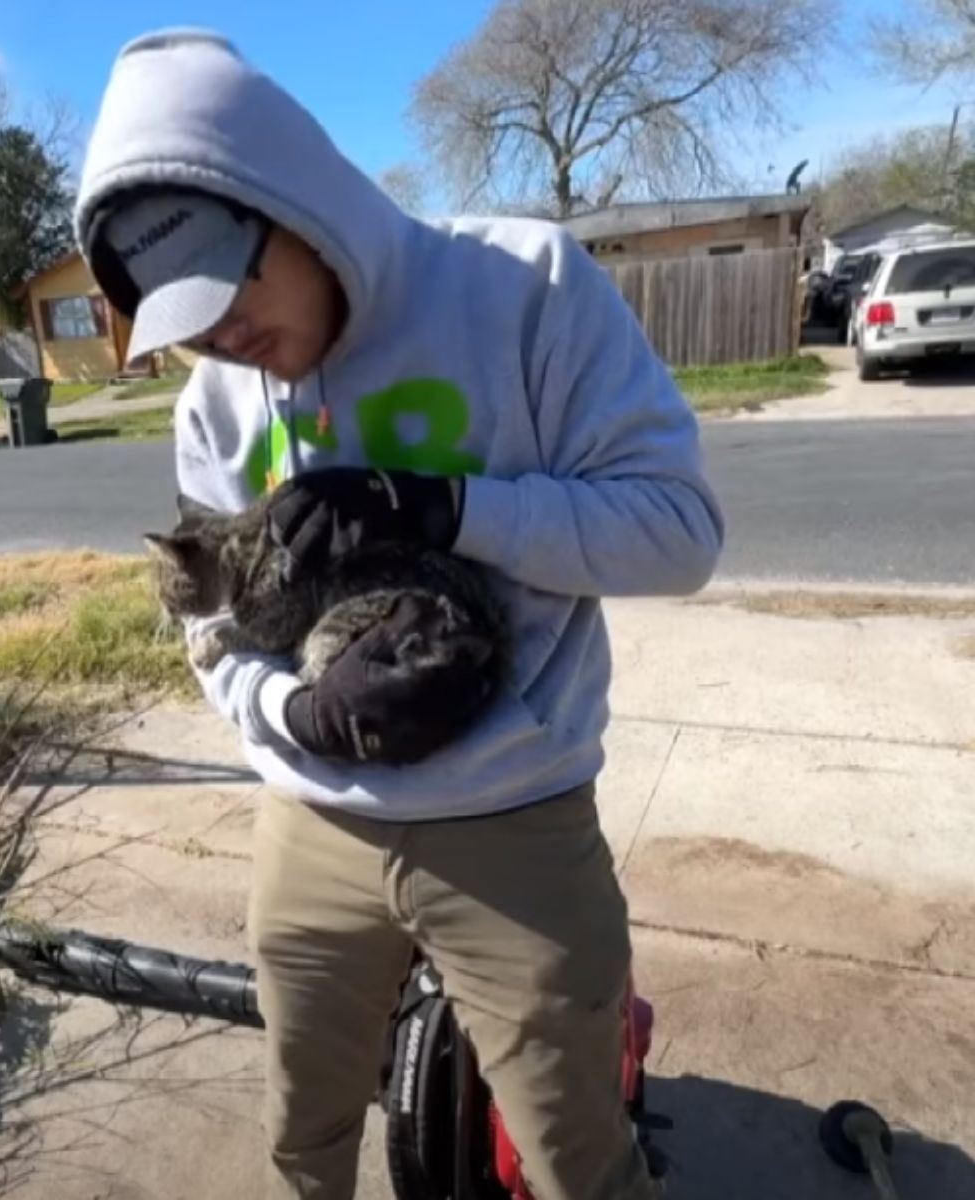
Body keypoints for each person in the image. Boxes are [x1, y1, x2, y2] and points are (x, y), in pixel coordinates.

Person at [75, 27, 724, 1200]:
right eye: (181, 320)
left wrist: (441, 507)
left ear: (300, 207)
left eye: (224, 291)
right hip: (312, 819)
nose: (218, 338)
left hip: (514, 817)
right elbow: (206, 623)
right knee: (302, 1131)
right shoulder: (218, 399)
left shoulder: (525, 290)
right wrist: (290, 709)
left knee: (578, 1160)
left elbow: (679, 534)